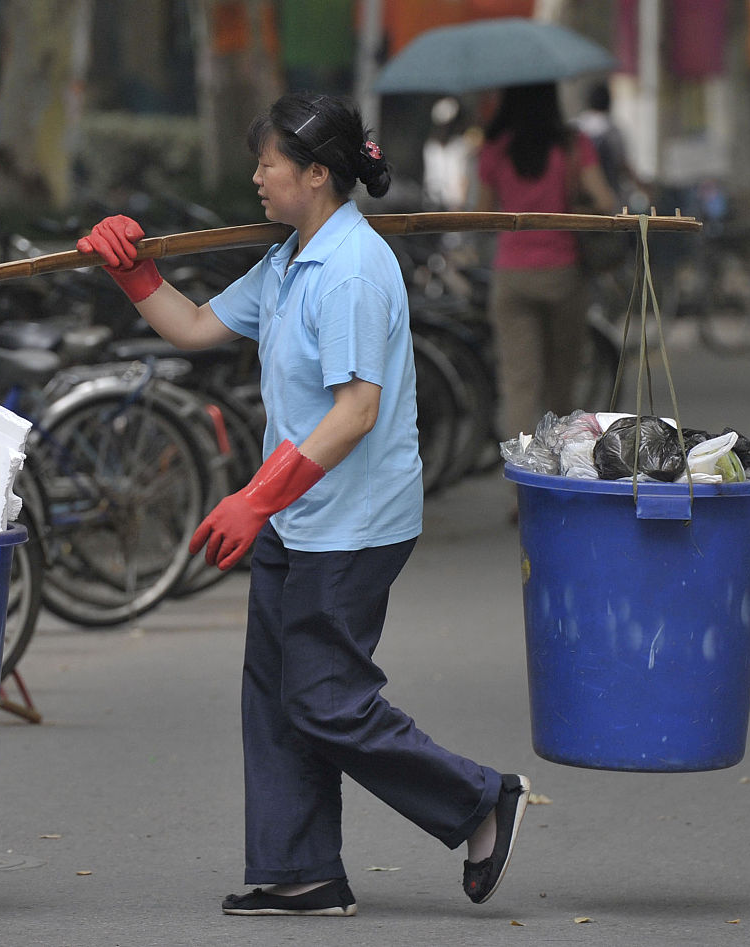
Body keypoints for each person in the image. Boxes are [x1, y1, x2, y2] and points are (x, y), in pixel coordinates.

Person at [77, 92, 531, 918]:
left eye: (268, 163)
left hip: (353, 522)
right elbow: (194, 325)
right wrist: (134, 273)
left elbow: (357, 410)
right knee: (275, 689)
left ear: (317, 174)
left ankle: (478, 799)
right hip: (299, 513)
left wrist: (254, 497)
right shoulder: (291, 258)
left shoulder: (353, 269)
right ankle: (301, 869)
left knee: (321, 696)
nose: (256, 176)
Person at [476, 83, 616, 447]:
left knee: (520, 387)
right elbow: (605, 201)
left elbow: (480, 212)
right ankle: (557, 482)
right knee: (561, 388)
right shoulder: (572, 144)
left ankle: (520, 489)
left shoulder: (495, 147)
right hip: (563, 274)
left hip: (512, 275)